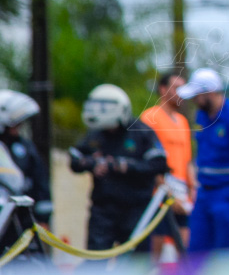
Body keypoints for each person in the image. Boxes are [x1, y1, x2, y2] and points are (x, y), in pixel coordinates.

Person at [69, 84, 168, 253]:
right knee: (96, 262)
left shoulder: (141, 131)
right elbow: (75, 160)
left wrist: (125, 166)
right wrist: (93, 164)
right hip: (103, 210)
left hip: (136, 210)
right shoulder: (95, 133)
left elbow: (159, 163)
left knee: (136, 264)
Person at [176, 68, 229, 253]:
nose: (194, 100)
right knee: (196, 250)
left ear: (209, 93)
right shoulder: (201, 115)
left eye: (197, 95)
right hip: (204, 193)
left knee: (224, 253)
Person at [140, 72, 193, 254]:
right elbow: (147, 161)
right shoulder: (150, 118)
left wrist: (192, 190)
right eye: (177, 88)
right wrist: (167, 194)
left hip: (181, 195)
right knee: (155, 254)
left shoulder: (183, 122)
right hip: (158, 197)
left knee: (184, 251)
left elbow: (187, 160)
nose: (182, 93)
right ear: (163, 89)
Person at [0, 90, 52, 227]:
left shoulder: (25, 147)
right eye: (16, 123)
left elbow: (41, 180)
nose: (19, 126)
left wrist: (43, 218)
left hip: (21, 217)